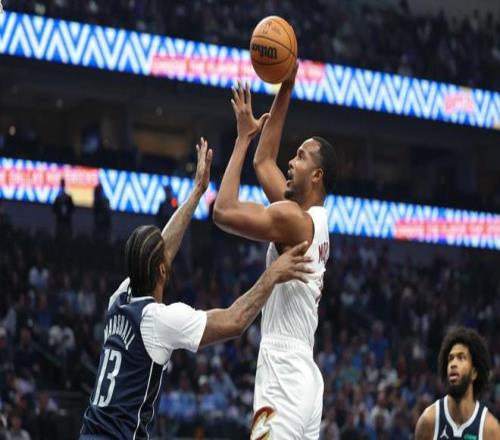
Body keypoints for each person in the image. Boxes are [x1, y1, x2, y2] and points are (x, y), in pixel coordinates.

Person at [79, 139, 313, 439]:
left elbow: (162, 251)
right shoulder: (157, 321)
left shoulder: (120, 297)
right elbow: (234, 321)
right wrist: (273, 274)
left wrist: (197, 193)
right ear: (162, 270)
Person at [213, 65, 338, 439]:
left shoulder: (295, 221)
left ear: (317, 175)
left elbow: (224, 211)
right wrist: (286, 83)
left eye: (300, 157)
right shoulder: (311, 219)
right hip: (305, 376)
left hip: (282, 371)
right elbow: (264, 162)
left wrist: (241, 139)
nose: (290, 161)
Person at [414, 326, 499, 440]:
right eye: (450, 358)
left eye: (461, 357)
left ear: (474, 373)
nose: (453, 364)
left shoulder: (490, 429)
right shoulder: (428, 421)